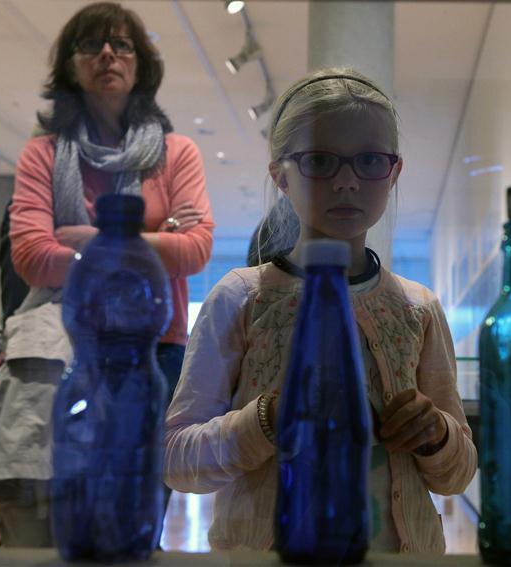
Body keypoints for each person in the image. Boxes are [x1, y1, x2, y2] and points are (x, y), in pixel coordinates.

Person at [164, 68, 476, 553]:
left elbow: (457, 474)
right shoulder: (242, 297)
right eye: (320, 161)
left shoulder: (418, 307)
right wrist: (266, 419)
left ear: (393, 172)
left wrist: (434, 433)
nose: (347, 182)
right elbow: (178, 459)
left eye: (370, 160)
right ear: (281, 176)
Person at [0, 2, 214, 547]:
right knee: (53, 512)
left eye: (121, 44)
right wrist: (149, 245)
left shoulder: (176, 154)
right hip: (61, 345)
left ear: (140, 63)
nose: (107, 54)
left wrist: (85, 242)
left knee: (131, 510)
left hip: (154, 351)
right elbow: (31, 254)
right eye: (91, 45)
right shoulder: (42, 154)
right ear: (70, 66)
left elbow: (196, 249)